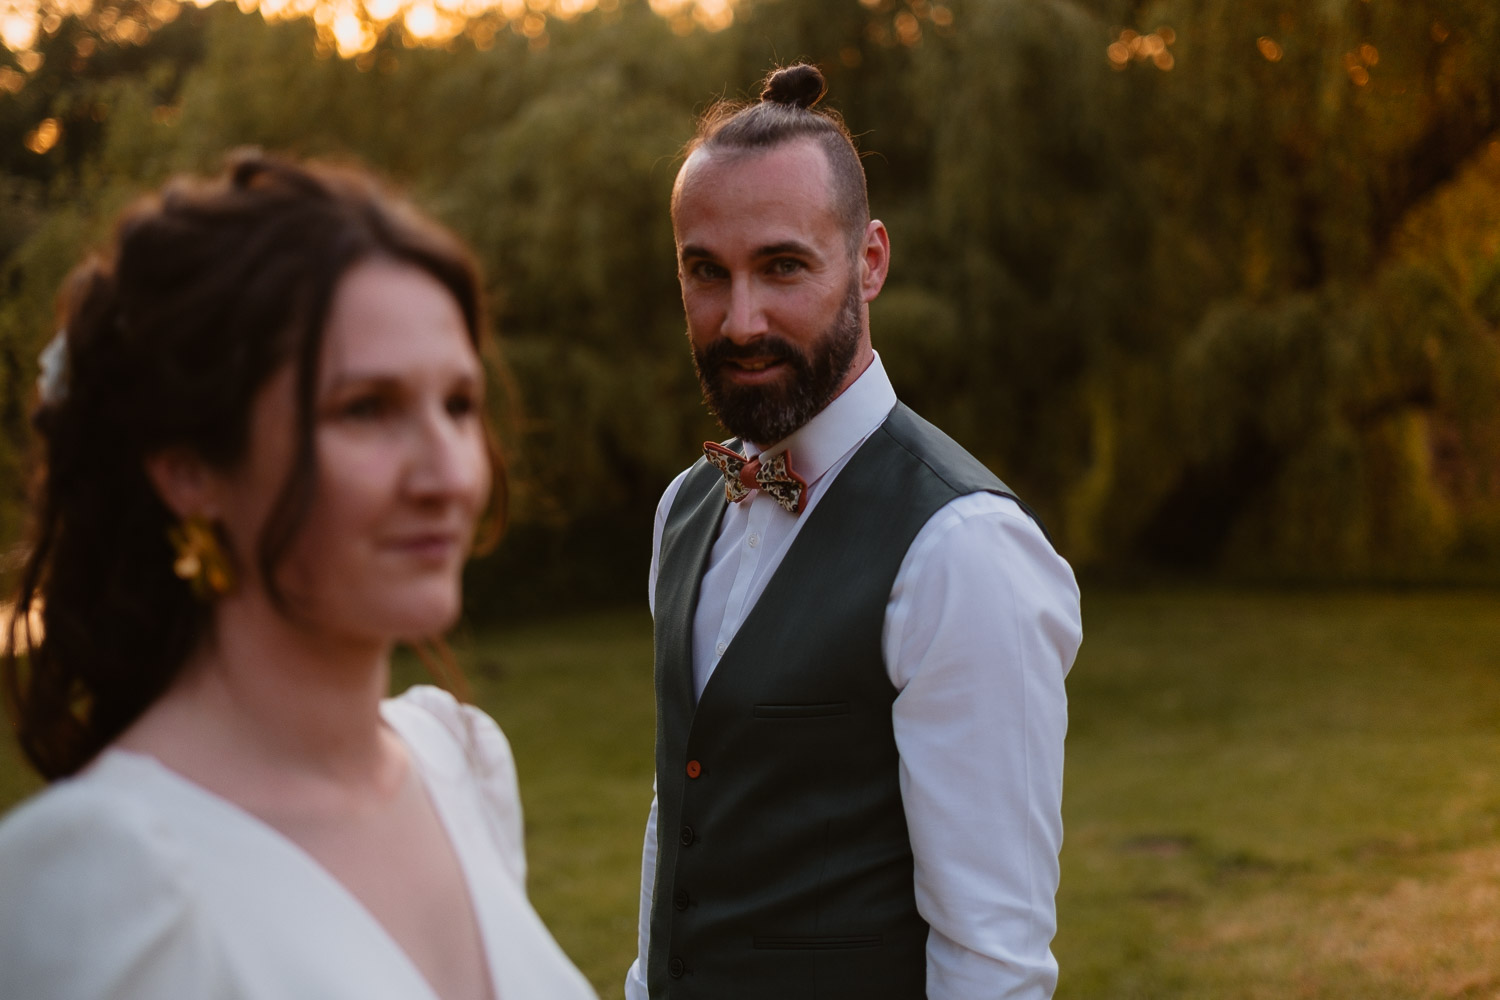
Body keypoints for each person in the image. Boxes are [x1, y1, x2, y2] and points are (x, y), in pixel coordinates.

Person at [0, 153, 596, 1000]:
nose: (450, 475)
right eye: (366, 409)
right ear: (190, 469)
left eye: (458, 405)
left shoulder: (457, 765)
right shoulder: (108, 887)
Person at [624, 64, 1083, 999]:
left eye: (783, 266)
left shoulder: (963, 551)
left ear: (870, 260)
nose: (739, 319)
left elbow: (993, 961)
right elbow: (684, 814)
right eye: (706, 271)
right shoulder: (684, 510)